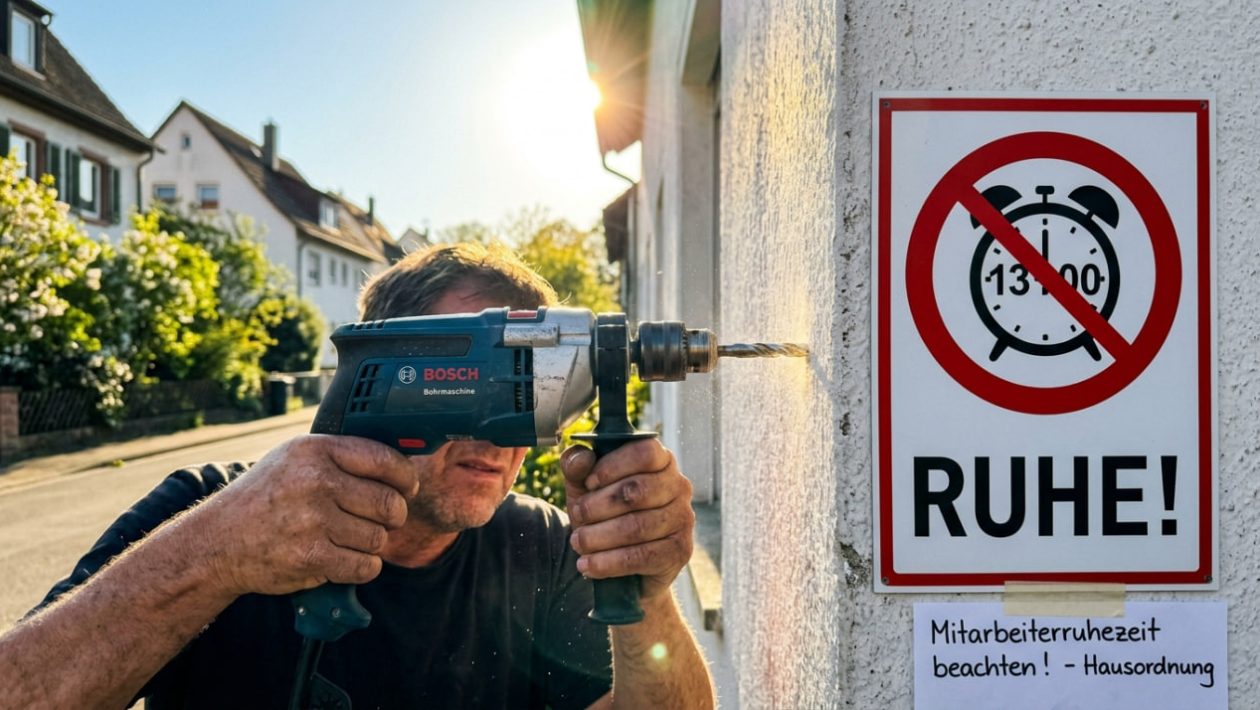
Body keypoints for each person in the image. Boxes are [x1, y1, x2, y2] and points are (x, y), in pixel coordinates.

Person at [0, 242, 716, 709]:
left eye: (530, 388)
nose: (503, 427)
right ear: (381, 369)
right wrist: (215, 555)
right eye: (479, 380)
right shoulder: (209, 511)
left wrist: (646, 592)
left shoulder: (547, 550)